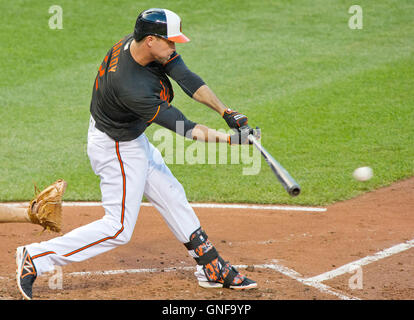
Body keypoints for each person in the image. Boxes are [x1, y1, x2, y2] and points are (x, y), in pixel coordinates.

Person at [16, 8, 259, 300]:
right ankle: (35, 258)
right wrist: (233, 141)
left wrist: (225, 111)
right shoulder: (131, 87)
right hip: (115, 146)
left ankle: (211, 267)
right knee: (118, 228)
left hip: (129, 138)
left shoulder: (141, 46)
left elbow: (185, 77)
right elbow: (186, 128)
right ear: (151, 41)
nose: (174, 47)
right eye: (170, 41)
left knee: (172, 193)